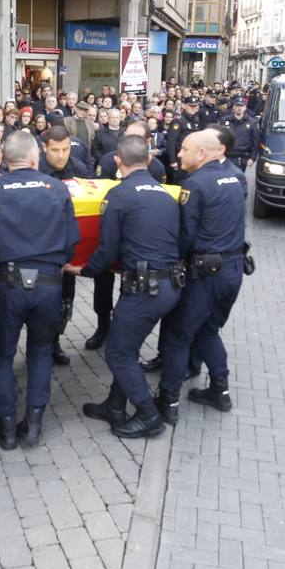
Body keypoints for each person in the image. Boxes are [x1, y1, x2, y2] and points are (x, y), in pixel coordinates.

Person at [68, 135, 182, 438]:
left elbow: (106, 251)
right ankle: (114, 406)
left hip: (145, 290)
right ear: (148, 160)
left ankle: (148, 416)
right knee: (127, 348)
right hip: (169, 285)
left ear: (118, 162)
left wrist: (83, 270)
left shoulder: (119, 196)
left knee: (118, 353)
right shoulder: (166, 195)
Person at [0, 132, 81, 450]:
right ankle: (33, 425)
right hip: (48, 285)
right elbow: (70, 240)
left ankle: (6, 426)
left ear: (4, 161)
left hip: (8, 285)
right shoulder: (57, 187)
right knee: (40, 354)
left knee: (1, 357)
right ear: (36, 158)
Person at [153, 129, 248, 423]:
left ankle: (168, 401)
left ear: (202, 154)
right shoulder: (236, 176)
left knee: (178, 336)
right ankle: (220, 391)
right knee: (207, 329)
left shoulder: (195, 184)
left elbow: (185, 235)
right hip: (233, 269)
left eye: (184, 149)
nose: (178, 154)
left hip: (204, 274)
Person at [39, 125, 93, 367]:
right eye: (55, 150)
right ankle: (38, 345)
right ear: (44, 148)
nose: (61, 156)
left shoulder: (79, 169)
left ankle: (54, 343)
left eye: (65, 149)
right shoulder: (36, 169)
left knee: (65, 302)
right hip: (39, 250)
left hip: (67, 251)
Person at [219, 96, 259, 171]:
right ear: (233, 107)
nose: (239, 108)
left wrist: (252, 157)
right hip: (225, 156)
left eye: (242, 106)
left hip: (241, 159)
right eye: (237, 105)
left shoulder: (252, 122)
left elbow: (255, 142)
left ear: (245, 108)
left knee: (238, 180)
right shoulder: (224, 120)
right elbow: (219, 138)